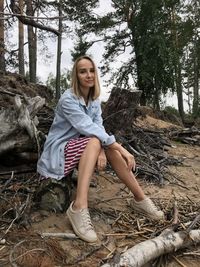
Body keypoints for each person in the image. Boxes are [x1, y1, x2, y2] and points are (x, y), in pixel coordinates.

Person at [37, 55, 164, 243]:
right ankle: (78, 207)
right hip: (59, 151)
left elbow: (98, 128)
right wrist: (122, 149)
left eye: (91, 70)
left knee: (105, 146)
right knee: (102, 144)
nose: (88, 75)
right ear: (76, 76)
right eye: (82, 71)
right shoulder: (68, 99)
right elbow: (86, 127)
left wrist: (104, 150)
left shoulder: (94, 100)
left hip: (83, 147)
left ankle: (140, 199)